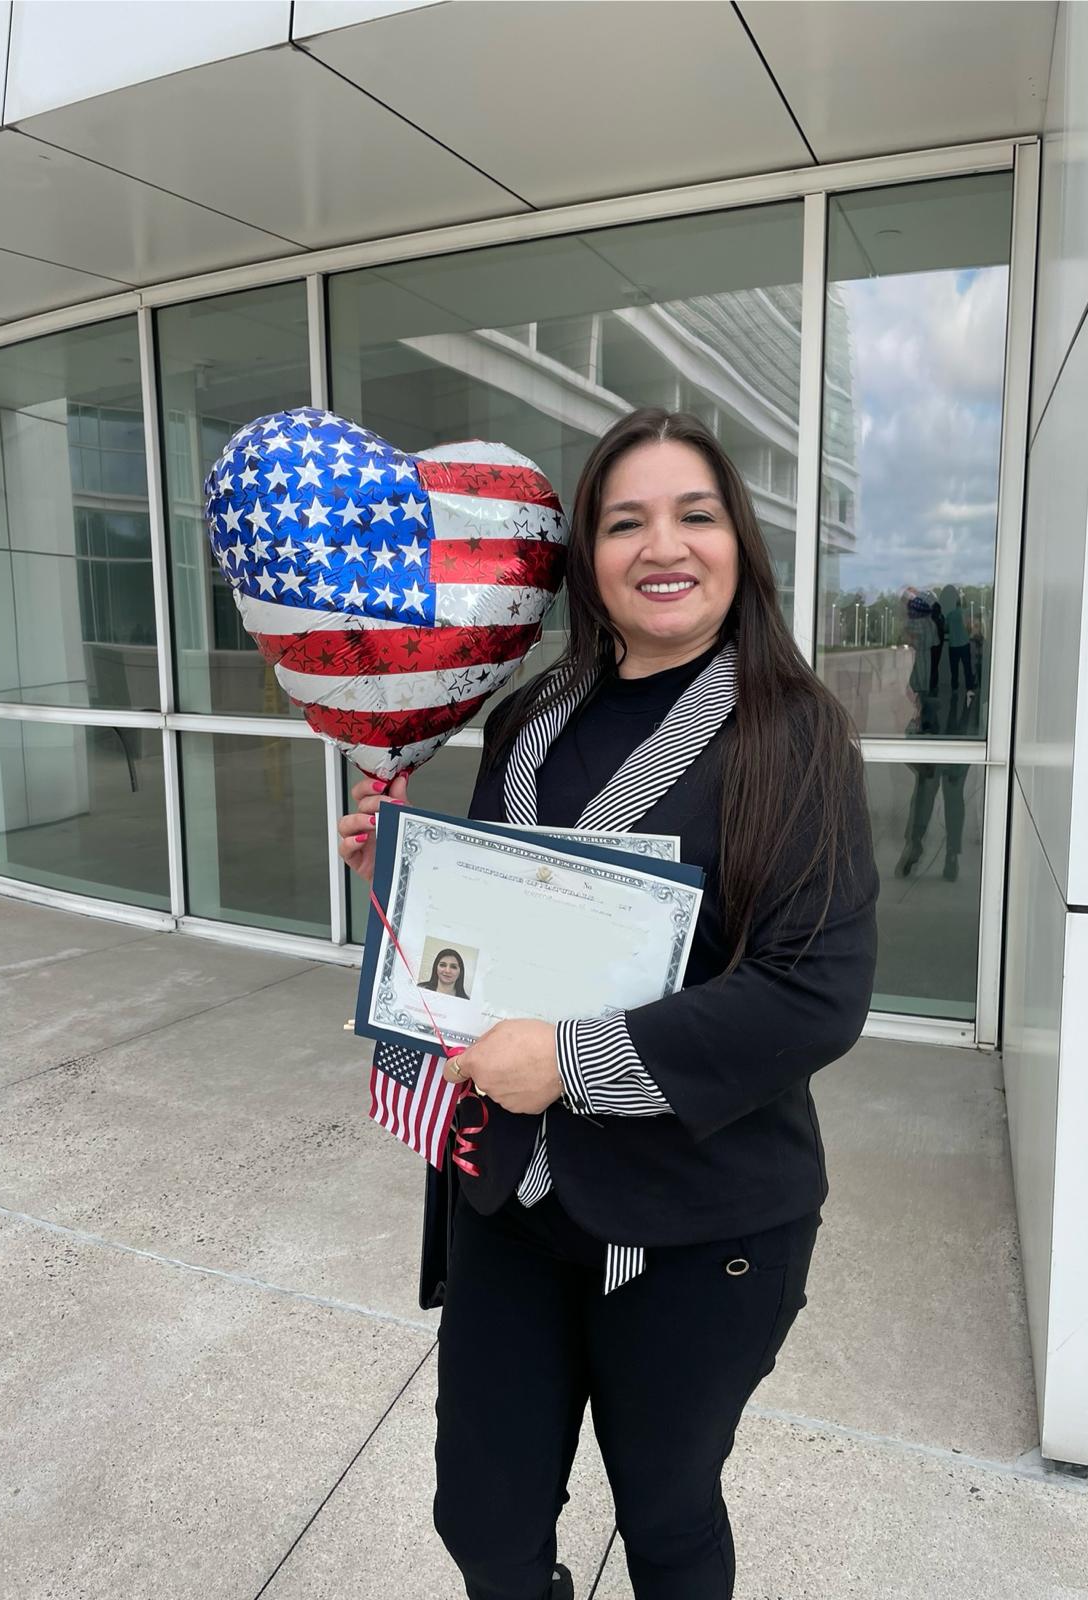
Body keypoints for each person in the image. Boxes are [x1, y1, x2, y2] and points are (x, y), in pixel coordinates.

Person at [338, 408, 878, 1600]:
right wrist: (411, 869)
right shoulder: (529, 719)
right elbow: (498, 924)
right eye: (624, 520)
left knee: (669, 1513)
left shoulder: (793, 736)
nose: (662, 544)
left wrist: (576, 1061)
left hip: (697, 1223)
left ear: (738, 539)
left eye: (695, 513)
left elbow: (815, 993)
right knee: (481, 1517)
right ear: (587, 553)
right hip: (514, 1194)